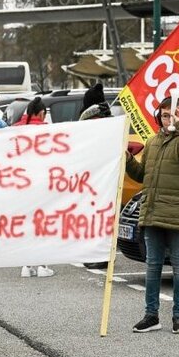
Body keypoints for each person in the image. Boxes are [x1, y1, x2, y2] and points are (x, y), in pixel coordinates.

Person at [125, 96, 179, 334]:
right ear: (158, 118)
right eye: (164, 115)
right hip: (152, 213)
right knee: (153, 266)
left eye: (174, 113)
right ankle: (151, 316)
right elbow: (141, 175)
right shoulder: (152, 142)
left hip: (178, 214)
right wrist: (129, 159)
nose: (169, 118)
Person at [13, 97, 55, 278]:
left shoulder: (14, 130)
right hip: (41, 185)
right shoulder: (46, 131)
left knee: (26, 225)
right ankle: (42, 265)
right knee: (41, 224)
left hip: (19, 187)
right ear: (41, 113)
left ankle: (26, 265)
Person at [79, 83, 112, 270]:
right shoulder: (98, 119)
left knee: (101, 217)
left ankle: (102, 255)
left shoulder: (99, 121)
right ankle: (96, 253)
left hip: (101, 178)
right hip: (96, 177)